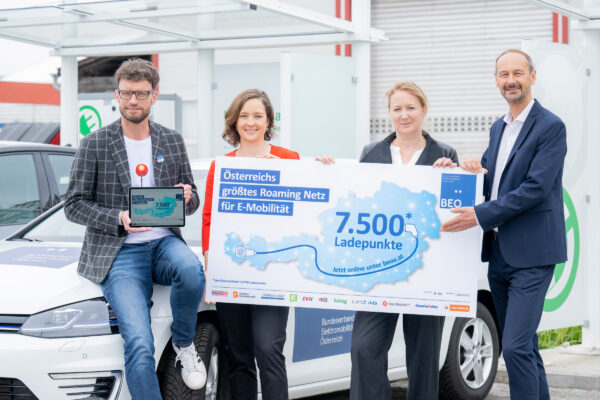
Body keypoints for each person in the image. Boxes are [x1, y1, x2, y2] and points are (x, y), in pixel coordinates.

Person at [64, 58, 207, 399]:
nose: (133, 100)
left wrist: (186, 197)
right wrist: (118, 218)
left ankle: (184, 342)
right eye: (127, 93)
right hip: (120, 252)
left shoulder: (172, 140)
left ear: (154, 96)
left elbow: (192, 201)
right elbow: (73, 205)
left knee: (192, 271)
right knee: (140, 343)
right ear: (117, 95)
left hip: (164, 243)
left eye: (141, 93)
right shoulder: (95, 143)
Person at [438, 49, 567, 400]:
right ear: (496, 80)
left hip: (533, 253)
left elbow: (536, 188)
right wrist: (461, 170)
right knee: (525, 345)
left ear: (532, 77)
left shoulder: (551, 126)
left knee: (514, 346)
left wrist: (480, 215)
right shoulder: (499, 127)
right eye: (504, 74)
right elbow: (492, 179)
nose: (511, 80)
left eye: (517, 73)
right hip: (499, 253)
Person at [349, 81, 458, 400]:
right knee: (363, 347)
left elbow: (455, 205)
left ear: (423, 110)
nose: (404, 114)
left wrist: (451, 174)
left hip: (427, 268)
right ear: (389, 113)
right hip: (379, 269)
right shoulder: (371, 153)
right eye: (397, 108)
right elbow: (357, 199)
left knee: (424, 357)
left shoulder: (444, 153)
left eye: (410, 107)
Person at [202, 89, 298, 400]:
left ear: (268, 120)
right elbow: (209, 221)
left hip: (273, 274)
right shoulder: (221, 166)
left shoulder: (288, 160)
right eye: (244, 116)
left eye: (258, 115)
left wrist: (284, 174)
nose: (250, 122)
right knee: (238, 356)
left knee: (268, 349)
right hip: (233, 273)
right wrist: (211, 274)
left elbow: (304, 211)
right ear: (234, 121)